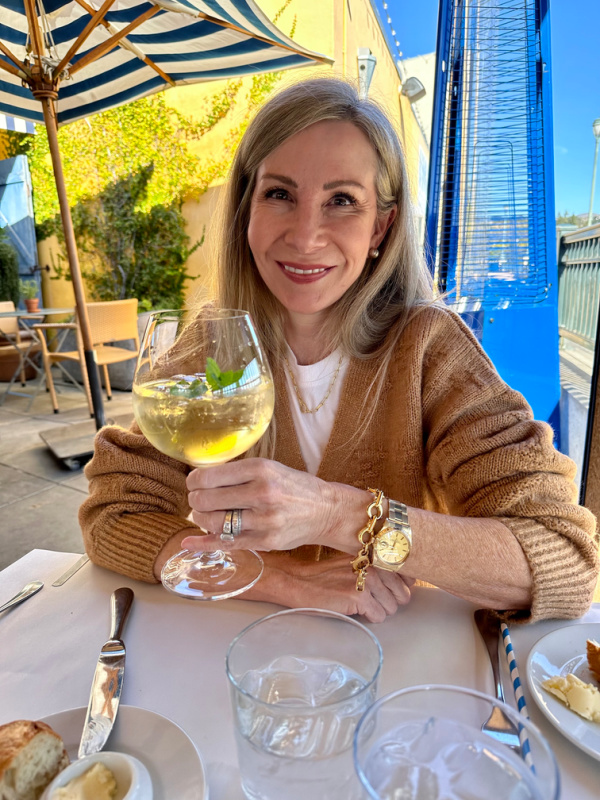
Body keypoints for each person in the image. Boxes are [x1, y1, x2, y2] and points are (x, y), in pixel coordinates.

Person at [80, 77, 599, 624]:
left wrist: (339, 516)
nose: (306, 236)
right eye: (279, 194)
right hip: (237, 658)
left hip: (391, 664)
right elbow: (113, 512)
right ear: (246, 210)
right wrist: (279, 581)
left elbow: (563, 559)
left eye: (342, 201)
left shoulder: (430, 348)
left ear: (381, 226)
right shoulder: (216, 343)